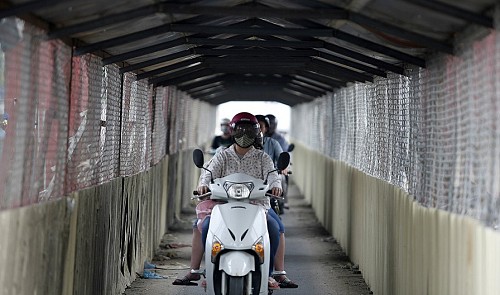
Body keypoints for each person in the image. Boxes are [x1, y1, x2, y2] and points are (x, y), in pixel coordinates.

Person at [173, 112, 295, 289]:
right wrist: (203, 185)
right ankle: (210, 269)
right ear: (232, 131)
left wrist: (276, 186)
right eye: (240, 130)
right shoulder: (222, 155)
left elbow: (273, 176)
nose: (244, 135)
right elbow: (208, 172)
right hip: (224, 205)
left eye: (249, 130)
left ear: (256, 133)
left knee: (274, 228)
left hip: (258, 205)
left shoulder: (263, 158)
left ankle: (267, 275)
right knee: (206, 226)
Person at [255, 114, 298, 288]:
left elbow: (274, 170)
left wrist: (278, 178)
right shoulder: (229, 152)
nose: (255, 131)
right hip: (235, 199)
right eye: (251, 128)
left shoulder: (269, 148)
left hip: (261, 199)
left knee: (277, 227)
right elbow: (211, 171)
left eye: (259, 127)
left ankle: (276, 272)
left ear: (266, 129)